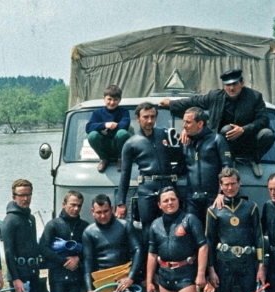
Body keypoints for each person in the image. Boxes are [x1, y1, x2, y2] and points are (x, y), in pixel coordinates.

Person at [159, 68, 275, 177]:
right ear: (224, 86)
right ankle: (230, 160)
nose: (231, 88)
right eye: (228, 85)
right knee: (227, 129)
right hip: (223, 144)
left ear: (242, 83)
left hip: (249, 141)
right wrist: (171, 103)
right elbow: (194, 102)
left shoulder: (254, 97)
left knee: (268, 134)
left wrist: (243, 129)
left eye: (235, 84)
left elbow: (264, 119)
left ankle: (255, 160)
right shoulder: (215, 96)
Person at [206, 167, 266, 292]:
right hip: (224, 264)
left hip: (247, 264)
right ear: (220, 186)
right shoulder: (214, 210)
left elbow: (259, 238)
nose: (230, 188)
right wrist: (211, 269)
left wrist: (261, 266)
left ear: (239, 183)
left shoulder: (251, 208)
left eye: (233, 183)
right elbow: (209, 242)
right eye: (226, 184)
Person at [116, 102, 178, 254]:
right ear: (137, 118)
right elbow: (125, 175)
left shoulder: (165, 134)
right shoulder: (131, 143)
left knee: (172, 226)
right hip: (147, 188)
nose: (150, 120)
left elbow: (181, 154)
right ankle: (148, 266)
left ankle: (169, 262)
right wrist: (120, 202)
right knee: (148, 229)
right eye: (146, 117)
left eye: (152, 117)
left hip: (167, 187)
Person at [180, 107, 233, 224]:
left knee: (212, 232)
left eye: (188, 122)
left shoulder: (217, 140)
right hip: (192, 199)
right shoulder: (185, 142)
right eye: (184, 122)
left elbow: (227, 167)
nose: (184, 125)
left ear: (200, 124)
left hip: (213, 198)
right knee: (192, 231)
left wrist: (221, 193)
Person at [86, 84, 131, 173]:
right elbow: (88, 127)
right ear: (104, 98)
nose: (112, 102)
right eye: (109, 99)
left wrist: (106, 132)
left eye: (115, 99)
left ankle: (120, 158)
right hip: (103, 147)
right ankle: (104, 159)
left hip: (119, 146)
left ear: (120, 100)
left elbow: (124, 125)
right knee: (92, 135)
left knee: (122, 133)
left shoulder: (124, 112)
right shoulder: (97, 113)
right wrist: (105, 125)